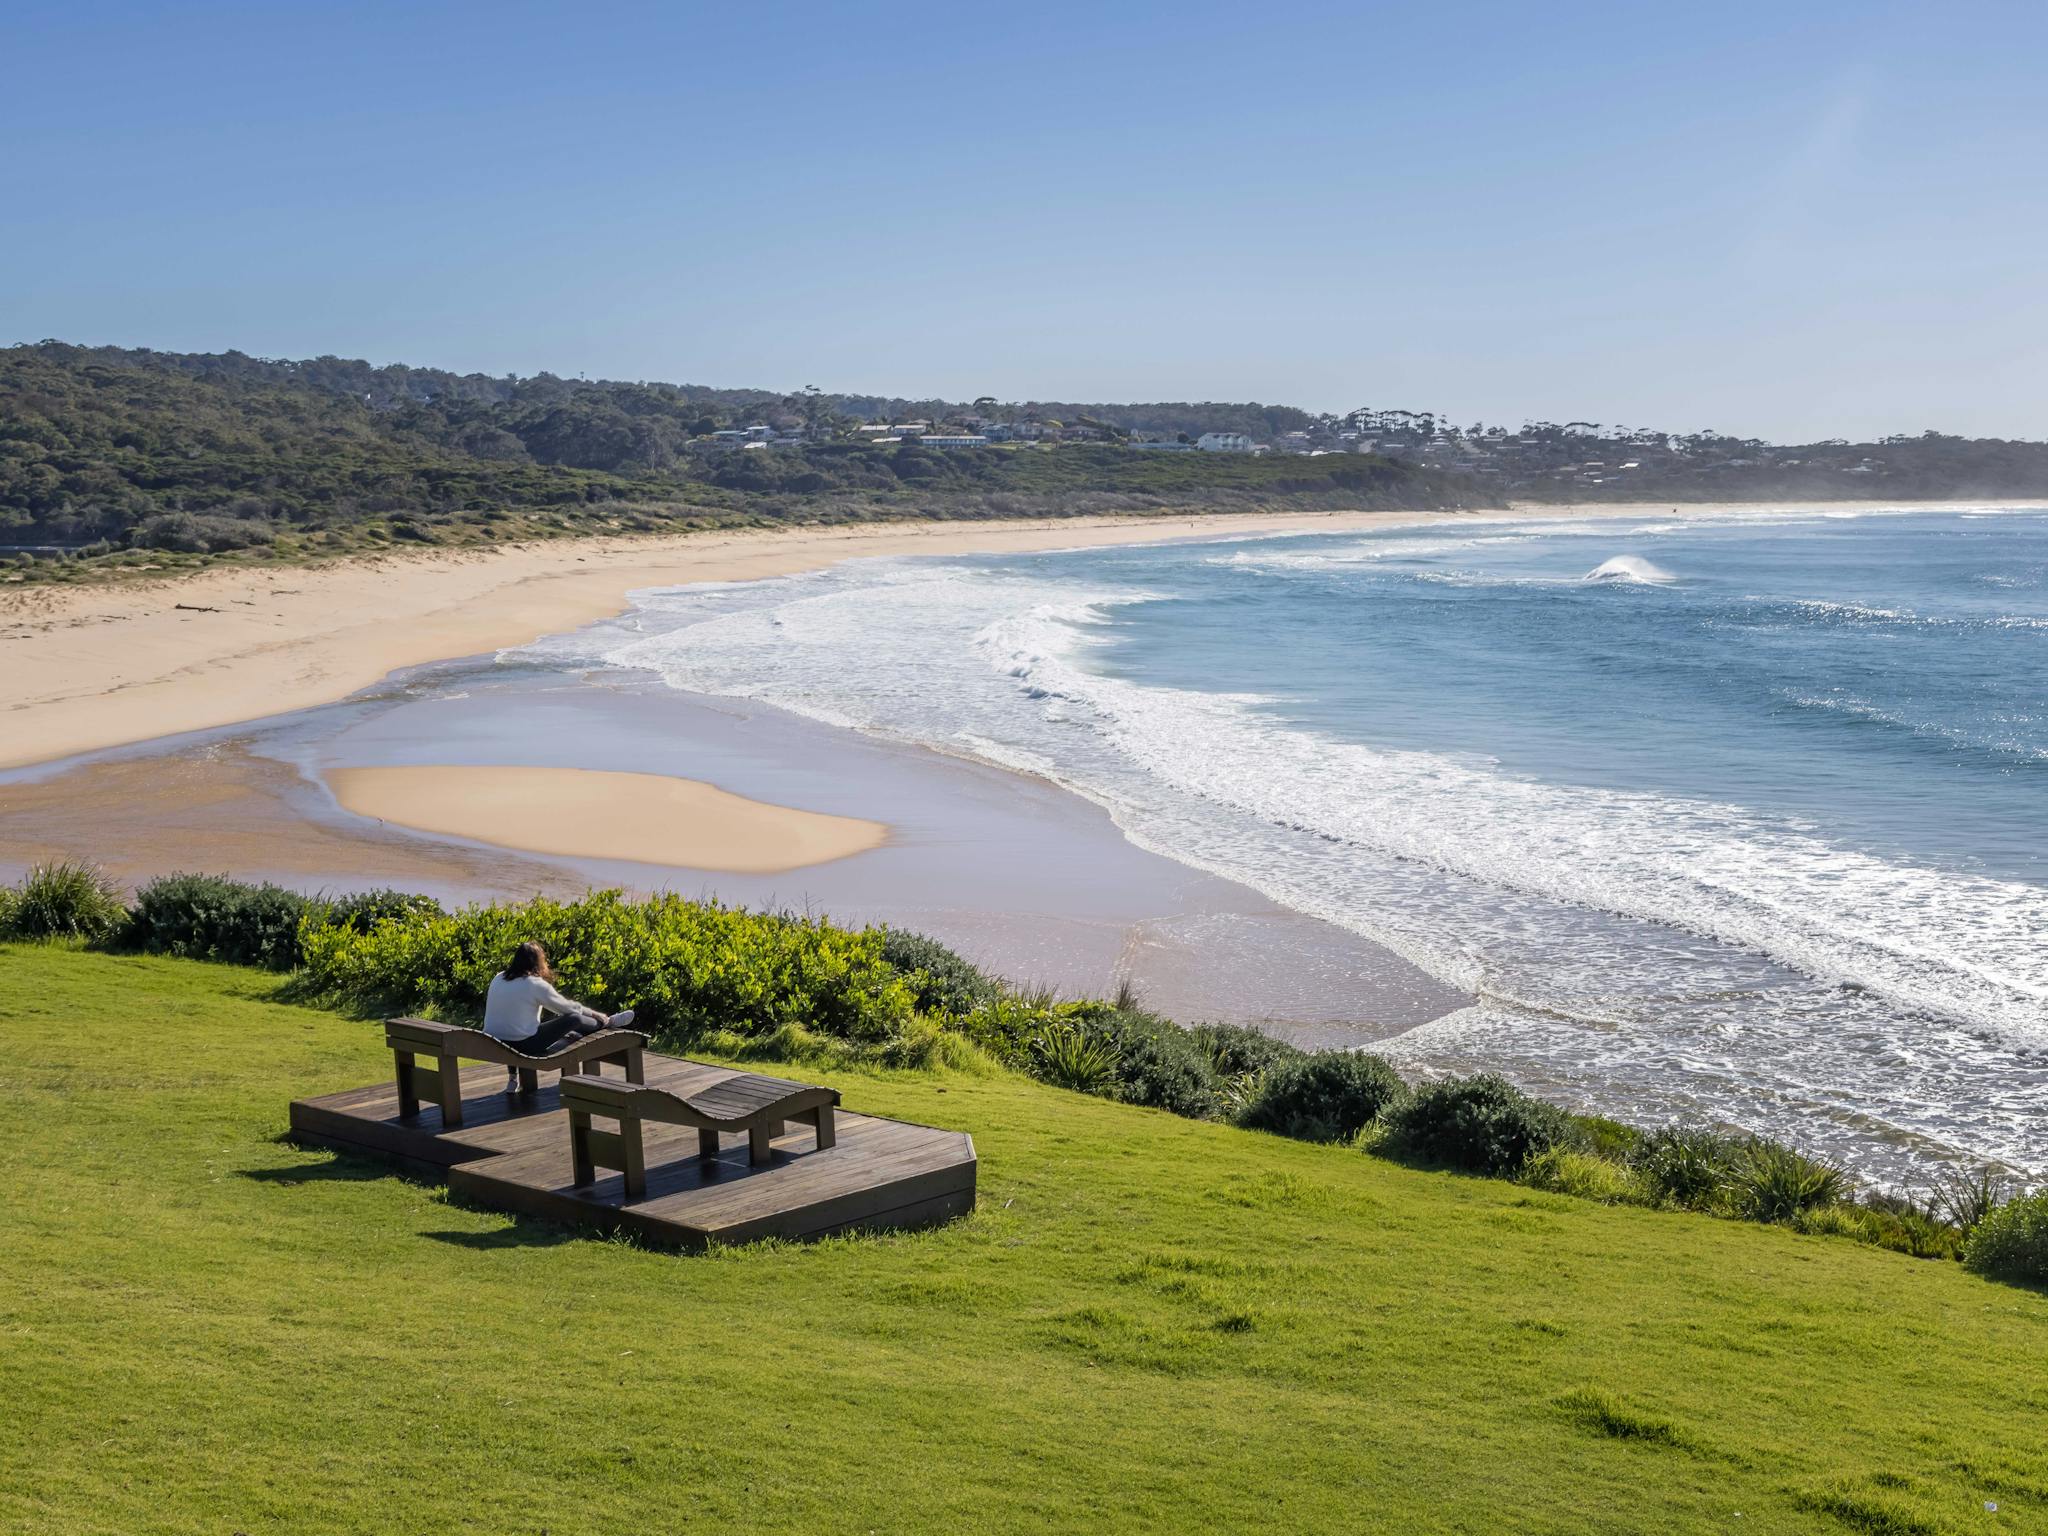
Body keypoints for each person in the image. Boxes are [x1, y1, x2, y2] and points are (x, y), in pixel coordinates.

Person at [483, 941, 636, 1093]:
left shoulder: (498, 978)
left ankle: (512, 1078)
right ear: (538, 961)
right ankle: (608, 1022)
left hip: (494, 1041)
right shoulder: (534, 984)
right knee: (574, 1019)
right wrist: (595, 1014)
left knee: (514, 1026)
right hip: (525, 1045)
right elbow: (566, 1008)